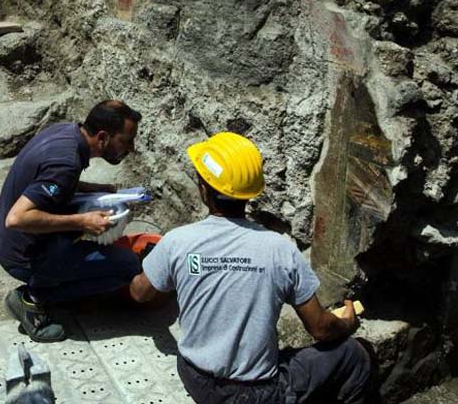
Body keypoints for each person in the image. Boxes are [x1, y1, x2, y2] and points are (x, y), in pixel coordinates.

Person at [129, 131, 375, 404]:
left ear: (203, 189)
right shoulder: (280, 250)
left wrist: (151, 267)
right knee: (355, 352)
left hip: (195, 378)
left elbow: (139, 293)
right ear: (251, 193)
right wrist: (347, 322)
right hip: (257, 393)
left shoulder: (176, 242)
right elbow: (321, 329)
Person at [0, 99, 143, 342]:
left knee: (94, 249)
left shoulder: (66, 133)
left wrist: (98, 189)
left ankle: (48, 280)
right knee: (128, 266)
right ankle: (32, 301)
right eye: (125, 140)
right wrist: (83, 221)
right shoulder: (67, 163)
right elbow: (17, 218)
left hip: (9, 242)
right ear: (102, 137)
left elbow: (53, 184)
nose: (131, 148)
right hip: (23, 255)